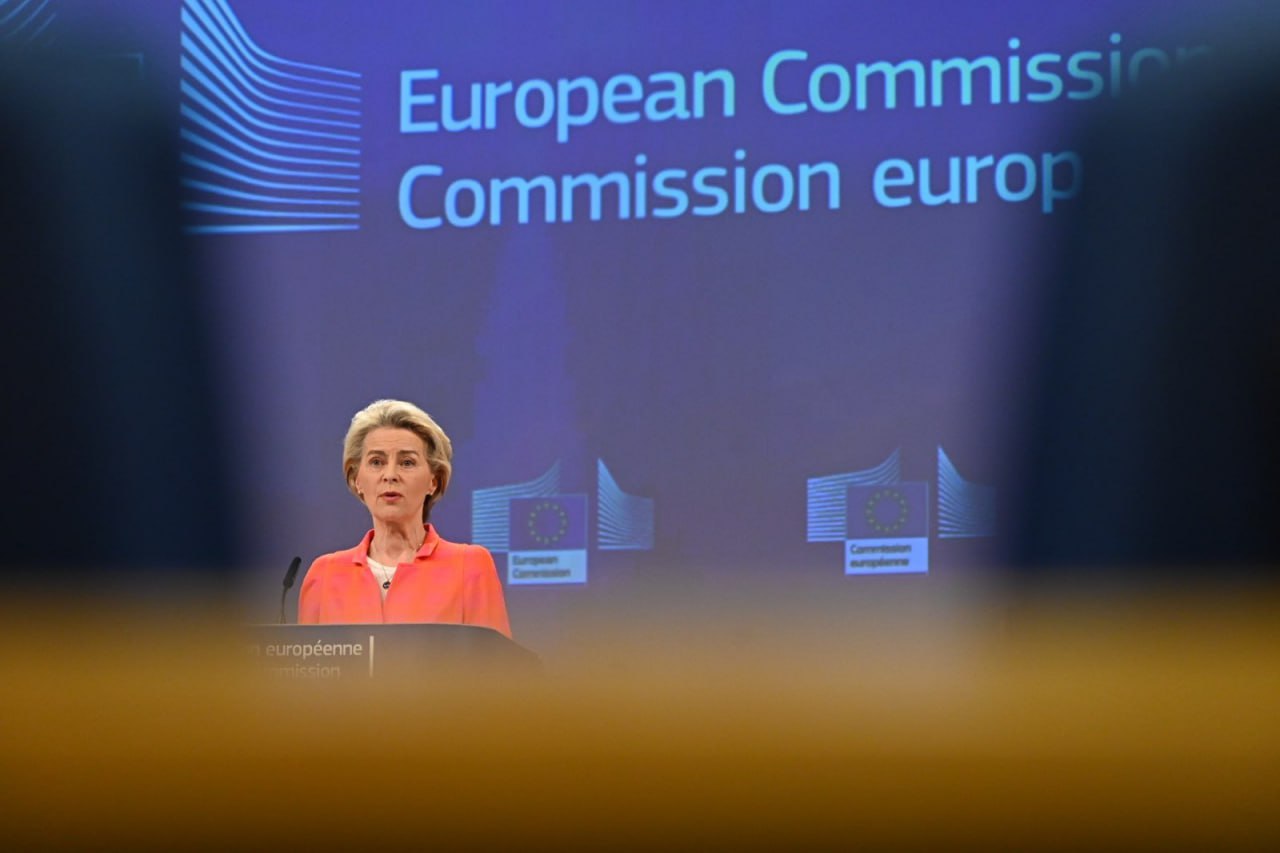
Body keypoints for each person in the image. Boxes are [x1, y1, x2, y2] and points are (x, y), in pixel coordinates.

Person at [298, 400, 512, 636]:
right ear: (357, 479)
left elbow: (495, 659)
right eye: (376, 462)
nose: (390, 475)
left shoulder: (469, 565)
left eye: (407, 463)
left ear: (433, 481)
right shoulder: (324, 574)